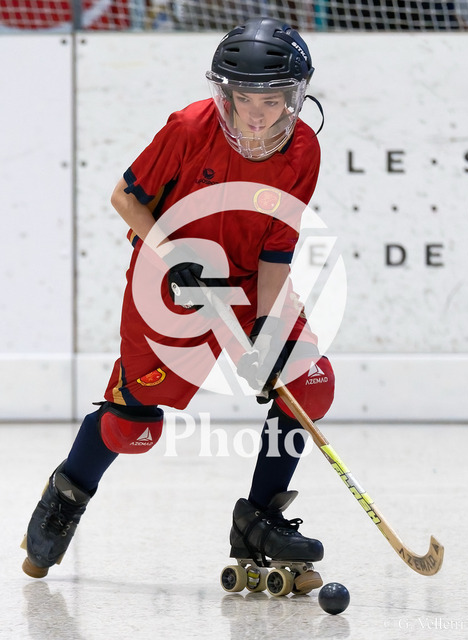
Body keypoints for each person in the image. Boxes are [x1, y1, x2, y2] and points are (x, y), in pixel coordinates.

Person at [21, 17, 335, 593]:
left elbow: (276, 250)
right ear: (225, 93)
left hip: (248, 282)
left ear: (294, 97)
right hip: (170, 284)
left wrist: (267, 333)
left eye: (271, 100)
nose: (256, 114)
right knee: (132, 426)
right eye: (244, 98)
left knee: (306, 383)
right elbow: (125, 197)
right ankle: (66, 495)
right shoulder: (190, 127)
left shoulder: (304, 150)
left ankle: (258, 522)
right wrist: (172, 255)